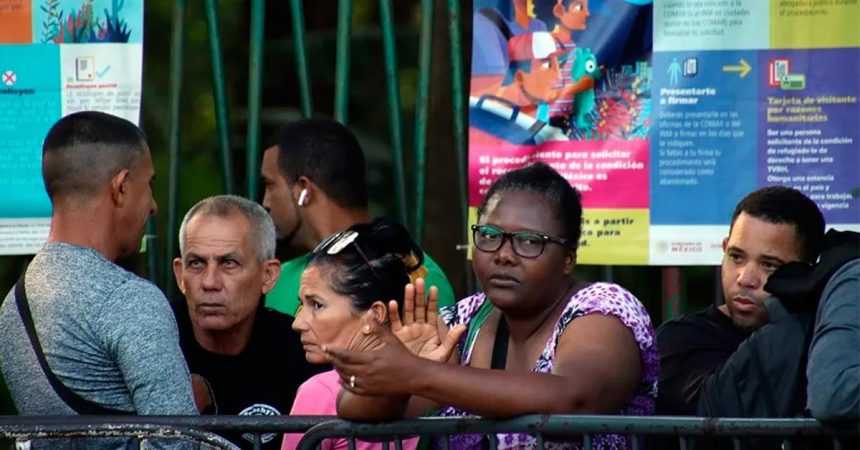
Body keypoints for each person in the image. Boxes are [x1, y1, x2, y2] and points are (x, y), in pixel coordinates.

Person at [325, 162, 659, 450]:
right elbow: (354, 409)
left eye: (529, 242)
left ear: (568, 259)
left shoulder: (604, 308)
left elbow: (576, 399)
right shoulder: (464, 321)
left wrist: (419, 373)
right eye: (489, 235)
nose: (503, 254)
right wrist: (396, 380)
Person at [0, 112, 197, 417]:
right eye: (148, 184)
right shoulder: (129, 299)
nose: (153, 205)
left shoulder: (12, 307)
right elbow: (175, 437)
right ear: (121, 187)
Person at [260, 118, 456, 316]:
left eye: (270, 185)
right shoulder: (278, 280)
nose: (265, 202)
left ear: (304, 189)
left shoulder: (414, 276)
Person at [656, 186, 826, 416]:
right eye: (736, 257)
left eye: (769, 265)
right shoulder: (681, 338)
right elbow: (718, 413)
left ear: (807, 273)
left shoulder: (824, 339)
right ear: (724, 248)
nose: (745, 279)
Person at [171, 195, 323, 450]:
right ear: (179, 275)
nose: (209, 282)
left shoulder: (302, 349)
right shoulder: (153, 340)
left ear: (268, 275)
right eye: (196, 263)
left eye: (229, 263)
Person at [283, 218, 443, 450]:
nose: (297, 323)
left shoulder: (320, 391)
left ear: (375, 315)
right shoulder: (425, 389)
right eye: (302, 305)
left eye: (317, 305)